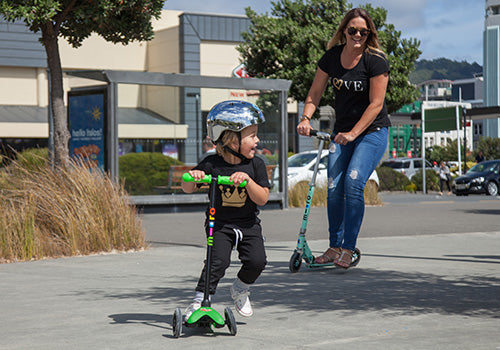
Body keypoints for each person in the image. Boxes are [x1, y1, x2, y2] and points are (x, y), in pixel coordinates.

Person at [297, 8, 390, 269]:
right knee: (335, 187)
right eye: (352, 30)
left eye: (363, 31)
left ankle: (349, 248)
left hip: (372, 133)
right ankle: (334, 246)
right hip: (342, 134)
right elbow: (315, 93)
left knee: (352, 183)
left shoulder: (376, 60)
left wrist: (353, 133)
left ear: (369, 33)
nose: (358, 35)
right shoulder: (332, 58)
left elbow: (376, 104)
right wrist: (305, 118)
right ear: (344, 32)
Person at [181, 100, 271, 319]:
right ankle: (199, 301)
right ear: (231, 139)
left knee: (257, 261)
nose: (257, 140)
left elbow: (263, 198)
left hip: (248, 224)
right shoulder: (211, 164)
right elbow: (187, 188)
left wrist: (248, 181)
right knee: (217, 261)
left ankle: (240, 288)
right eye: (252, 136)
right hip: (220, 225)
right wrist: (194, 177)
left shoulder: (255, 165)